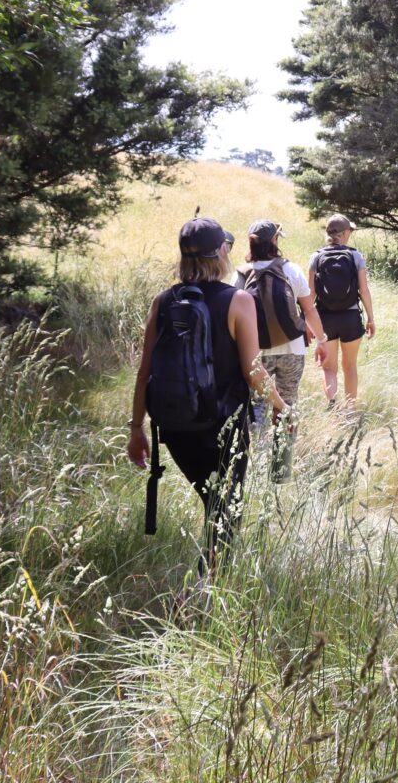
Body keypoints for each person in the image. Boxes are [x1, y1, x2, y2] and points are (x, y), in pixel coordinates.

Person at [127, 216, 287, 571]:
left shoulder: (163, 301)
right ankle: (202, 590)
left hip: (176, 426)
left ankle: (207, 582)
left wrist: (136, 429)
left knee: (214, 503)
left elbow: (144, 371)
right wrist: (281, 406)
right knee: (225, 512)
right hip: (223, 430)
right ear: (222, 253)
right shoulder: (238, 301)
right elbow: (253, 372)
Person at [234, 220, 328, 481]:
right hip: (292, 350)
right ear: (274, 241)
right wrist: (321, 340)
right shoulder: (291, 270)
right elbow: (309, 310)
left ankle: (257, 469)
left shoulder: (241, 274)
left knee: (257, 407)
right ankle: (281, 472)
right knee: (287, 405)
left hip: (256, 353)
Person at [308, 214, 376, 407]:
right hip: (350, 317)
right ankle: (350, 411)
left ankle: (333, 405)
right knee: (350, 366)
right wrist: (370, 318)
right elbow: (364, 290)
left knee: (329, 368)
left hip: (325, 319)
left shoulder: (316, 257)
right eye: (350, 231)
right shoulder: (355, 256)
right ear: (345, 233)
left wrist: (308, 323)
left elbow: (310, 294)